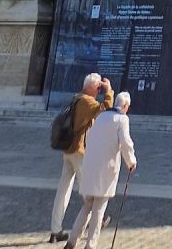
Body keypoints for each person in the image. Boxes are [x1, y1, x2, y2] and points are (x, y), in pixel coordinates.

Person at [66, 92, 136, 249]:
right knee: (99, 208)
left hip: (91, 165)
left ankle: (72, 241)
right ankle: (90, 245)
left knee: (87, 206)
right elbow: (126, 142)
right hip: (106, 170)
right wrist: (131, 162)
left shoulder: (101, 116)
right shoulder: (122, 120)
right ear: (125, 106)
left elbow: (89, 137)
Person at [50, 74, 113, 244]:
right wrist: (109, 90)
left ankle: (55, 229)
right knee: (89, 190)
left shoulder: (77, 97)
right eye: (98, 88)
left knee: (63, 189)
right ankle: (98, 220)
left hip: (68, 149)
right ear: (92, 88)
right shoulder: (87, 101)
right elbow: (107, 108)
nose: (99, 91)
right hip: (78, 150)